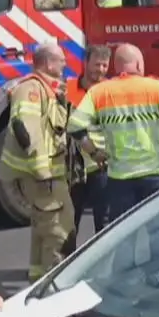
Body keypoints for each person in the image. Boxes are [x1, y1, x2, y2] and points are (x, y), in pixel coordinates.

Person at [69, 44, 159, 221]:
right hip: (155, 173)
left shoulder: (100, 92)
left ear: (116, 67)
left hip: (120, 178)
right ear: (139, 65)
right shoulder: (157, 87)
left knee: (123, 239)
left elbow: (75, 125)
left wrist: (94, 152)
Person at [0, 42, 73, 279]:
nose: (65, 64)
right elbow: (26, 130)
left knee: (42, 228)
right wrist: (42, 172)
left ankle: (38, 279)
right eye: (61, 60)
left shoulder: (46, 89)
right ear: (49, 63)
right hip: (43, 176)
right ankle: (54, 282)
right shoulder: (31, 88)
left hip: (47, 173)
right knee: (59, 230)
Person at [65, 46, 115, 247]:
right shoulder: (68, 88)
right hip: (75, 167)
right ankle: (68, 262)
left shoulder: (110, 89)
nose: (101, 70)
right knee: (70, 221)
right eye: (96, 64)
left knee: (103, 221)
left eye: (104, 65)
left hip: (101, 165)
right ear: (85, 62)